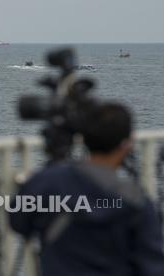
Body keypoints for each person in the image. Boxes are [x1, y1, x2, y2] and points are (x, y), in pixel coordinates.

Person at [10, 102, 164, 276]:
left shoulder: (48, 182)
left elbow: (18, 222)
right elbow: (152, 265)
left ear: (83, 139)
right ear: (126, 145)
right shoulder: (136, 202)